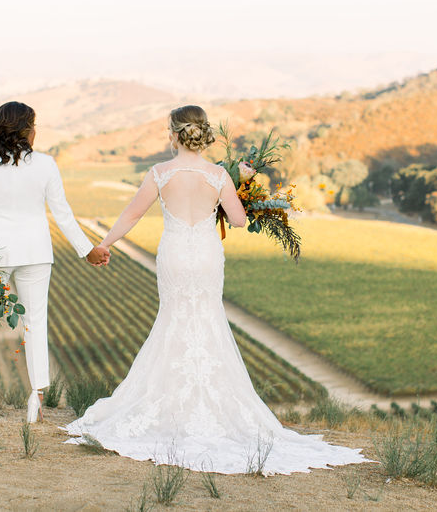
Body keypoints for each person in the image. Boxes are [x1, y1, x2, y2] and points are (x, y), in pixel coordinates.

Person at [64, 105, 371, 474]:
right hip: (207, 255)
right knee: (208, 319)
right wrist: (239, 192)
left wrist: (105, 244)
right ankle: (215, 408)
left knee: (174, 320)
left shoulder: (159, 173)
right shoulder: (217, 175)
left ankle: (169, 407)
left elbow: (131, 214)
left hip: (175, 254)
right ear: (202, 134)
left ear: (174, 134)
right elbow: (239, 220)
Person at [0, 101, 109, 422]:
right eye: (33, 125)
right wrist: (87, 250)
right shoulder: (46, 165)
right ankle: (36, 400)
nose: (36, 131)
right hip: (36, 253)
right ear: (25, 130)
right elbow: (63, 215)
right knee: (35, 323)